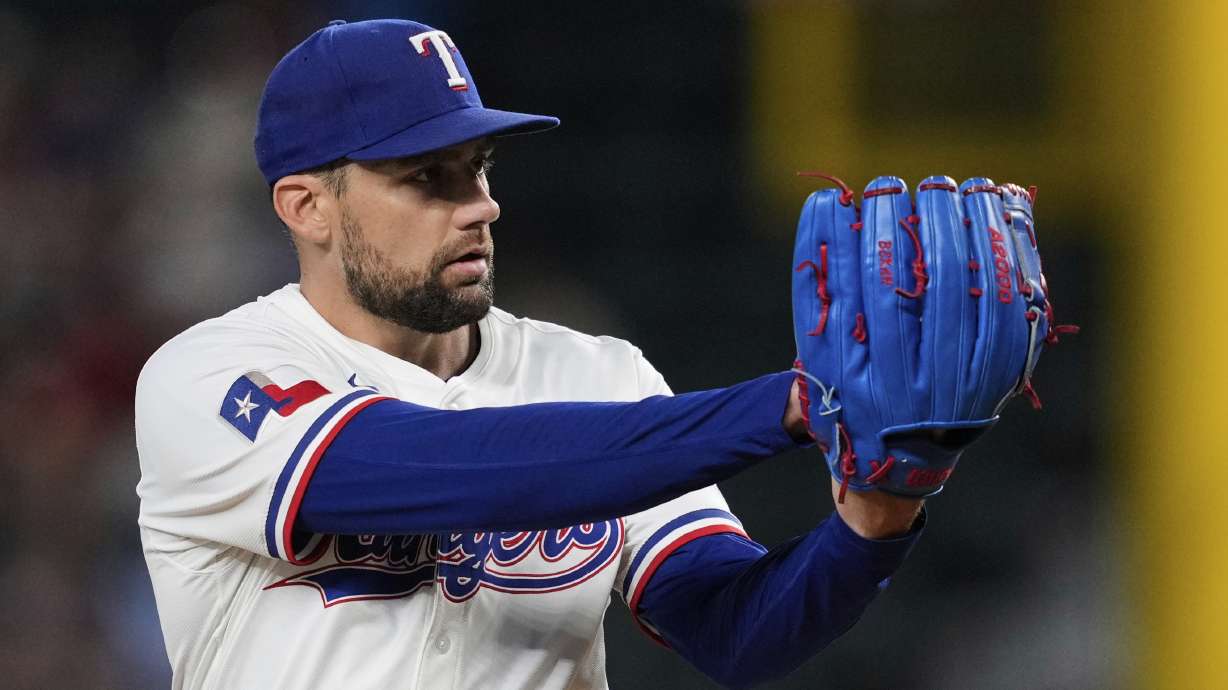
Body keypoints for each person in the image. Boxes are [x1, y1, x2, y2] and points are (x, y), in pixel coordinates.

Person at [136, 19, 924, 690]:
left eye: (477, 166)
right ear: (308, 207)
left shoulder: (599, 374)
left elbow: (734, 629)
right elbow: (450, 465)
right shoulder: (210, 377)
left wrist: (875, 521)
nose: (481, 204)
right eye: (426, 177)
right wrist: (790, 404)